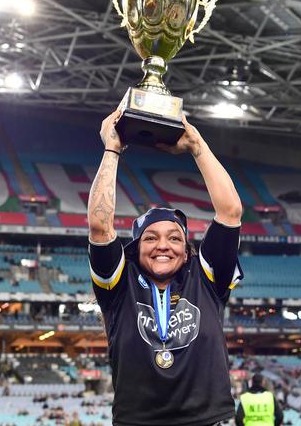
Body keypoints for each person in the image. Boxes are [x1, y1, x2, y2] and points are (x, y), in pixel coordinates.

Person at [87, 109, 244, 426]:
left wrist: (196, 144)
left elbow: (230, 212)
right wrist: (112, 149)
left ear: (187, 251)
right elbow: (100, 227)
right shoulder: (119, 285)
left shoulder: (207, 277)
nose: (162, 245)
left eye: (174, 238)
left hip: (209, 421)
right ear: (135, 249)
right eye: (150, 238)